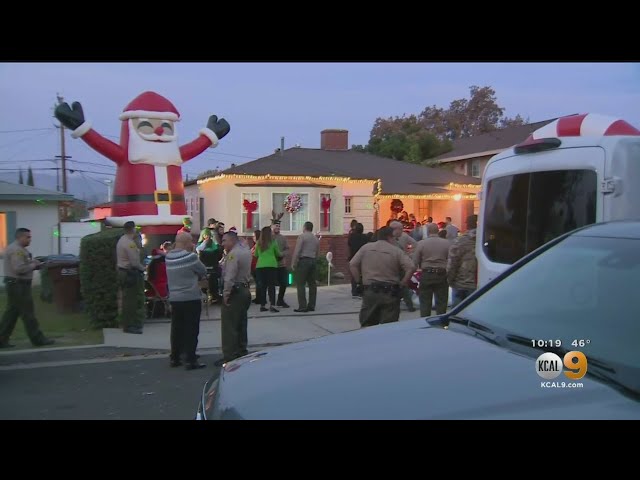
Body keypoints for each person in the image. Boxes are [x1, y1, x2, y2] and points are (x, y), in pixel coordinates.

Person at [349, 226, 415, 328]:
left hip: (370, 291)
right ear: (389, 237)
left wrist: (359, 281)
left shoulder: (366, 248)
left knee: (367, 324)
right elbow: (411, 267)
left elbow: (352, 264)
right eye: (394, 238)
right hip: (390, 292)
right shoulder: (396, 251)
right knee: (388, 327)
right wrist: (403, 283)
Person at [0, 228, 54, 348]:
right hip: (18, 285)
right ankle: (38, 339)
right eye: (27, 237)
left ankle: (1, 339)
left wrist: (35, 263)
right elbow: (19, 269)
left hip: (16, 284)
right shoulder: (17, 250)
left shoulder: (19, 249)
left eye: (30, 237)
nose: (30, 239)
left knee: (12, 313)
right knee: (28, 313)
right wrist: (34, 265)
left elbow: (24, 264)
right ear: (20, 237)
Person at [165, 232, 207, 370]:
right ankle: (190, 359)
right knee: (191, 329)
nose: (192, 244)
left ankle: (175, 357)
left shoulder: (168, 257)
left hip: (175, 297)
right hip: (190, 297)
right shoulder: (190, 257)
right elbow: (202, 270)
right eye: (191, 241)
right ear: (186, 242)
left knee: (177, 328)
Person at [217, 230, 252, 367]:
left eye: (224, 241)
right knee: (241, 323)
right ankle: (241, 351)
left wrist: (226, 294)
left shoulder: (233, 254)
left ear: (232, 240)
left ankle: (229, 356)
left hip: (235, 291)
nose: (222, 243)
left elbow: (230, 276)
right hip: (245, 289)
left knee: (229, 325)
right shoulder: (245, 251)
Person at [414, 223, 451, 316]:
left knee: (425, 303)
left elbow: (415, 261)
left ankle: (425, 321)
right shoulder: (447, 243)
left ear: (428, 231)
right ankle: (441, 320)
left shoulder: (421, 243)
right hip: (441, 274)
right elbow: (451, 260)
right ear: (438, 231)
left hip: (426, 274)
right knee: (441, 302)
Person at [116, 221, 146, 334]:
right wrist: (143, 269)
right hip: (129, 273)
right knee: (131, 301)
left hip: (122, 271)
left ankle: (127, 324)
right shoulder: (130, 243)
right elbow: (134, 262)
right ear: (133, 229)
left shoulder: (121, 240)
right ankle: (130, 325)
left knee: (126, 299)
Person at [447, 214, 478, 306]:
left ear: (467, 224)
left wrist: (449, 280)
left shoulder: (460, 241)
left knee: (458, 312)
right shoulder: (485, 239)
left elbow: (452, 264)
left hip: (461, 283)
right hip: (480, 283)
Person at [291, 221, 320, 313]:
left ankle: (302, 306)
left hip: (304, 261)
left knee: (300, 283)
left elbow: (297, 250)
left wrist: (293, 262)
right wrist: (315, 260)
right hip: (313, 260)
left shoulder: (302, 236)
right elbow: (317, 252)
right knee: (312, 284)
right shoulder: (316, 238)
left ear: (304, 227)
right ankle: (311, 305)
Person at [390, 220, 417, 312]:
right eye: (401, 229)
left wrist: (408, 253)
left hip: (398, 265)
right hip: (395, 265)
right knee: (401, 285)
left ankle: (407, 305)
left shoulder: (399, 236)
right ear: (395, 229)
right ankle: (407, 305)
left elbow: (415, 244)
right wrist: (409, 253)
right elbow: (415, 244)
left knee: (403, 285)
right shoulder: (401, 237)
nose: (402, 231)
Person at [254, 226, 282, 313]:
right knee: (271, 286)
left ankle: (262, 305)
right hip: (271, 265)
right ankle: (272, 305)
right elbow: (278, 253)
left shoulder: (258, 243)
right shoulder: (273, 242)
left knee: (262, 286)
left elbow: (255, 255)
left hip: (260, 266)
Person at [196, 228, 220, 304]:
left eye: (208, 235)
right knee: (204, 284)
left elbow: (218, 252)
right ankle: (205, 296)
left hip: (213, 268)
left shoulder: (214, 246)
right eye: (205, 235)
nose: (207, 237)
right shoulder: (200, 246)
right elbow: (198, 251)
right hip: (204, 268)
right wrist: (204, 243)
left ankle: (214, 296)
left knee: (214, 283)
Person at [271, 214, 290, 308]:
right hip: (271, 264)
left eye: (279, 226)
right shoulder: (269, 238)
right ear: (272, 226)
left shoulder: (283, 238)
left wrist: (282, 254)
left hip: (281, 264)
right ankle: (272, 302)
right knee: (271, 284)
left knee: (284, 282)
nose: (277, 228)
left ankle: (280, 300)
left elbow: (287, 249)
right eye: (276, 226)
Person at [347, 223, 369, 298]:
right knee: (363, 274)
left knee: (354, 274)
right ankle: (361, 290)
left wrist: (349, 257)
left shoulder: (352, 237)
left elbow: (349, 246)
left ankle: (354, 291)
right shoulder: (365, 237)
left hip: (353, 256)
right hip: (363, 257)